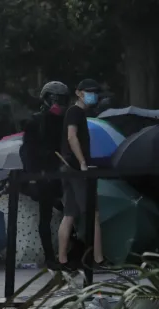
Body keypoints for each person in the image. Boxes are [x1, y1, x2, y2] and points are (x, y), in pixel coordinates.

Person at [57, 79, 108, 272]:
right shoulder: (75, 112)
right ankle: (98, 259)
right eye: (89, 91)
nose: (93, 95)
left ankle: (62, 261)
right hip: (76, 169)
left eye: (95, 91)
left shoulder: (77, 113)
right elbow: (72, 136)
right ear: (79, 93)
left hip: (67, 167)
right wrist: (83, 162)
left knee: (69, 214)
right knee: (92, 213)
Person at [19, 81, 68, 269]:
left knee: (70, 212)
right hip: (44, 175)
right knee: (46, 216)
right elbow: (27, 152)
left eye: (63, 100)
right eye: (56, 99)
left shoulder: (65, 121)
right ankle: (50, 257)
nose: (59, 103)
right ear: (46, 99)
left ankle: (67, 252)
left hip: (64, 173)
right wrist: (34, 175)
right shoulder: (35, 121)